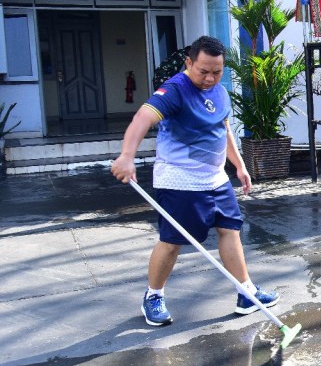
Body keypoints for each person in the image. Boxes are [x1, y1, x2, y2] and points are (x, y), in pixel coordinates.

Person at [111, 36, 279, 326]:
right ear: (189, 63)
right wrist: (127, 155)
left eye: (217, 71)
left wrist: (239, 165)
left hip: (215, 178)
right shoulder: (175, 89)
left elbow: (223, 129)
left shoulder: (219, 91)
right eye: (203, 71)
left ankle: (245, 292)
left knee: (230, 230)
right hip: (180, 180)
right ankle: (153, 295)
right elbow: (142, 118)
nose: (210, 78)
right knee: (173, 241)